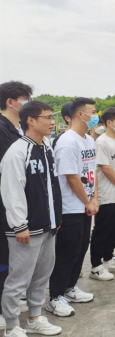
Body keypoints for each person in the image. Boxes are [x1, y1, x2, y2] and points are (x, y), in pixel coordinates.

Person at [1, 101, 63, 336]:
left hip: (48, 225)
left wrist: (56, 217)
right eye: (47, 117)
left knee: (41, 276)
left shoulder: (46, 147)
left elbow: (52, 186)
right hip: (27, 228)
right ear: (31, 120)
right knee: (18, 279)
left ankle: (34, 318)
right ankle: (11, 326)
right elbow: (12, 190)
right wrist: (20, 225)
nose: (52, 122)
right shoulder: (17, 151)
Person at [47, 97, 99, 317]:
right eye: (93, 112)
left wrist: (94, 199)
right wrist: (87, 201)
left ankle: (70, 288)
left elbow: (92, 172)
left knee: (80, 249)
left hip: (86, 206)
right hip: (70, 208)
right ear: (80, 114)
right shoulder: (68, 141)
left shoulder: (89, 139)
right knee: (66, 252)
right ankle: (55, 296)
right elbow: (71, 176)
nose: (96, 116)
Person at [0, 81, 33, 330]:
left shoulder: (19, 129)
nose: (28, 104)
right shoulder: (2, 130)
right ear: (11, 102)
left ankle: (8, 302)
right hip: (4, 203)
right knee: (3, 255)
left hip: (20, 201)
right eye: (25, 99)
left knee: (13, 257)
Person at [89, 107, 115, 281]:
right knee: (102, 229)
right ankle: (96, 266)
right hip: (107, 194)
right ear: (109, 123)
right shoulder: (101, 142)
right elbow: (104, 167)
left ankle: (108, 258)